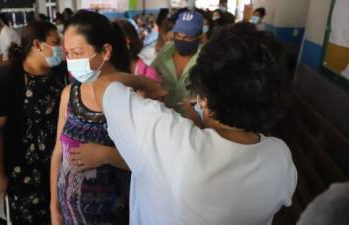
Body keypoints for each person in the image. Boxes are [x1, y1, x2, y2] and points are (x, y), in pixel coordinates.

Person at [83, 22, 297, 225]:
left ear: (203, 98)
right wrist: (202, 127)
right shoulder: (280, 158)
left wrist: (144, 82)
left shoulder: (168, 137)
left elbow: (103, 85)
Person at [50, 11, 132, 225]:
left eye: (77, 52)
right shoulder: (69, 94)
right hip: (70, 215)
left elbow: (151, 164)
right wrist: (54, 206)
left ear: (105, 51)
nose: (71, 61)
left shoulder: (132, 98)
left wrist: (106, 155)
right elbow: (58, 153)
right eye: (68, 53)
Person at [0, 21, 65, 225]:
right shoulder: (8, 78)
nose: (61, 47)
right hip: (23, 172)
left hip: (56, 167)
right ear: (37, 45)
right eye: (56, 42)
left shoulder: (56, 73)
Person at [152, 11, 203, 115]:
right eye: (178, 35)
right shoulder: (166, 52)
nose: (181, 40)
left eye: (187, 37)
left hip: (192, 120)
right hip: (165, 115)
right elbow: (150, 73)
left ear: (199, 36)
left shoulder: (205, 59)